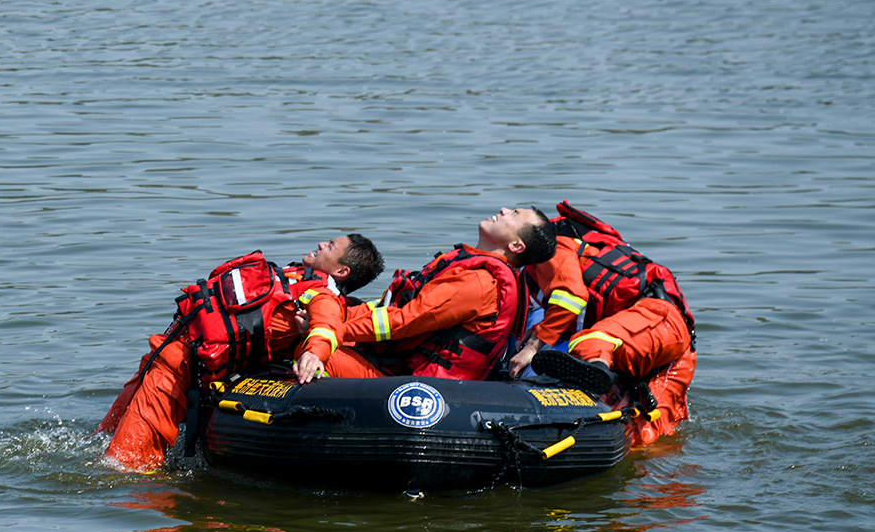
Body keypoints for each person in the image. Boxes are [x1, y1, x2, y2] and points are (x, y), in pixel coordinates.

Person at [98, 234, 385, 471]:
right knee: (108, 441)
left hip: (181, 366)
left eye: (331, 246)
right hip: (167, 351)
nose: (322, 244)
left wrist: (314, 354)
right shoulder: (290, 275)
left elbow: (326, 326)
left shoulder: (322, 294)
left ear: (341, 271)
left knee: (123, 467)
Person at [507, 201, 696, 445]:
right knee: (648, 439)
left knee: (588, 343)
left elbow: (573, 296)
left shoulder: (551, 248)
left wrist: (532, 349)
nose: (503, 212)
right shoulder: (534, 272)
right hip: (675, 351)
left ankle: (596, 376)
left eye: (514, 213)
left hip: (657, 318)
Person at [318, 206, 557, 381]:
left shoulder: (480, 282)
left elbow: (404, 321)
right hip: (397, 366)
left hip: (418, 384)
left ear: (516, 246)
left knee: (313, 349)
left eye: (514, 214)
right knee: (321, 334)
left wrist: (329, 330)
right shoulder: (472, 268)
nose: (504, 210)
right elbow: (393, 308)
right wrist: (333, 318)